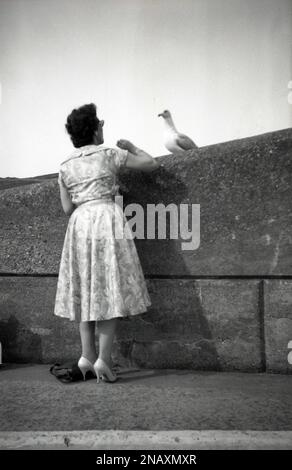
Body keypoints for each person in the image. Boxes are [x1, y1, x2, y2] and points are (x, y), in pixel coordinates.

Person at [54, 103, 160, 383]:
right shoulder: (110, 153)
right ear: (94, 129)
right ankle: (103, 360)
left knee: (86, 291)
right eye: (101, 124)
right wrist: (134, 147)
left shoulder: (65, 166)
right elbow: (151, 164)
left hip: (79, 224)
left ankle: (85, 357)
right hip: (106, 219)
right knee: (110, 290)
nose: (103, 127)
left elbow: (67, 208)